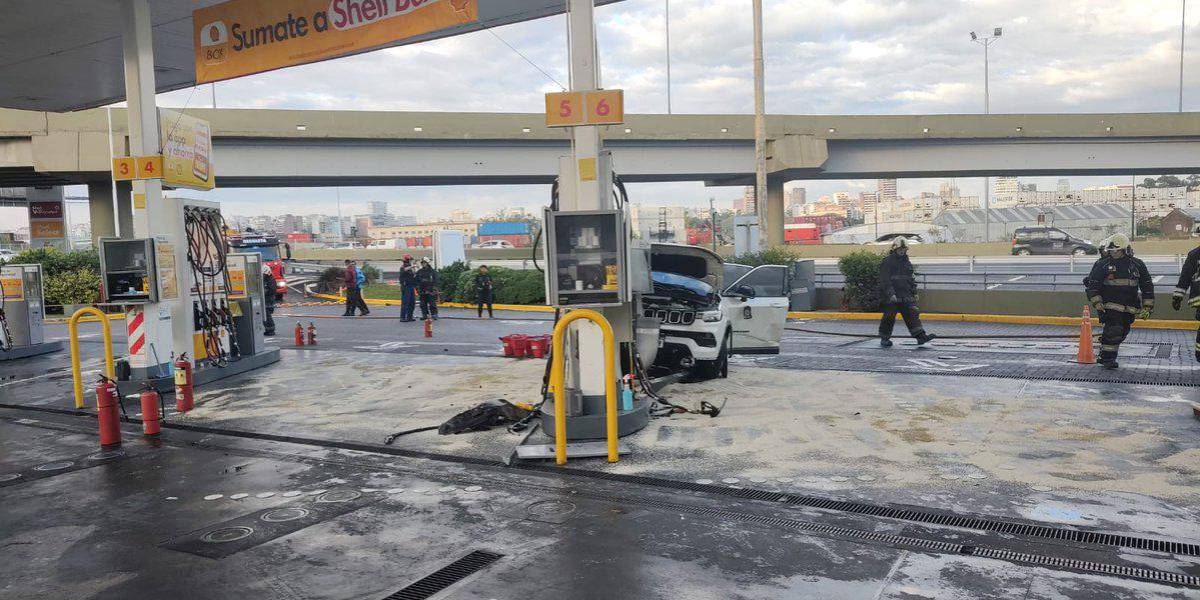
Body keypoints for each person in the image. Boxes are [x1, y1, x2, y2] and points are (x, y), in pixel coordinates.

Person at [1086, 234, 1154, 369]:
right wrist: (1098, 304)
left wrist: (1147, 307)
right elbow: (1093, 286)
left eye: (1116, 250)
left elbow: (1147, 286)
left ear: (1125, 249)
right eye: (1111, 250)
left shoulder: (1137, 265)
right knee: (1114, 330)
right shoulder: (1103, 265)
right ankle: (1107, 359)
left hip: (1130, 308)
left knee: (1123, 331)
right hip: (1110, 306)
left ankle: (1105, 349)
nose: (1113, 253)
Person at [878, 237, 936, 347]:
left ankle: (920, 337)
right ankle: (884, 338)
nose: (902, 251)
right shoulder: (887, 261)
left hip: (905, 294)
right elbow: (885, 280)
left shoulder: (906, 262)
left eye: (904, 249)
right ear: (895, 249)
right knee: (889, 317)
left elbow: (910, 278)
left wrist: (914, 292)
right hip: (892, 296)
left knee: (912, 314)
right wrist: (891, 294)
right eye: (900, 249)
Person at [1172, 243, 1200, 363]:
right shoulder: (1195, 255)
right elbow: (1185, 277)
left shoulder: (1195, 254)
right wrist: (1178, 297)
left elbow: (1185, 277)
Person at [398, 254, 418, 322]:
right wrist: (412, 266)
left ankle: (410, 316)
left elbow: (414, 274)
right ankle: (403, 317)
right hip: (406, 286)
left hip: (411, 286)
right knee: (405, 302)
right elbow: (404, 270)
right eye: (410, 260)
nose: (411, 261)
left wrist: (414, 267)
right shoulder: (403, 266)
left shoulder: (410, 268)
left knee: (412, 302)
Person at [261, 264, 276, 336]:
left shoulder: (270, 279)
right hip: (267, 298)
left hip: (268, 299)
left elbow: (271, 290)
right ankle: (268, 329)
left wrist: (263, 292)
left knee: (266, 313)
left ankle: (270, 329)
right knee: (265, 313)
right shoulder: (268, 278)